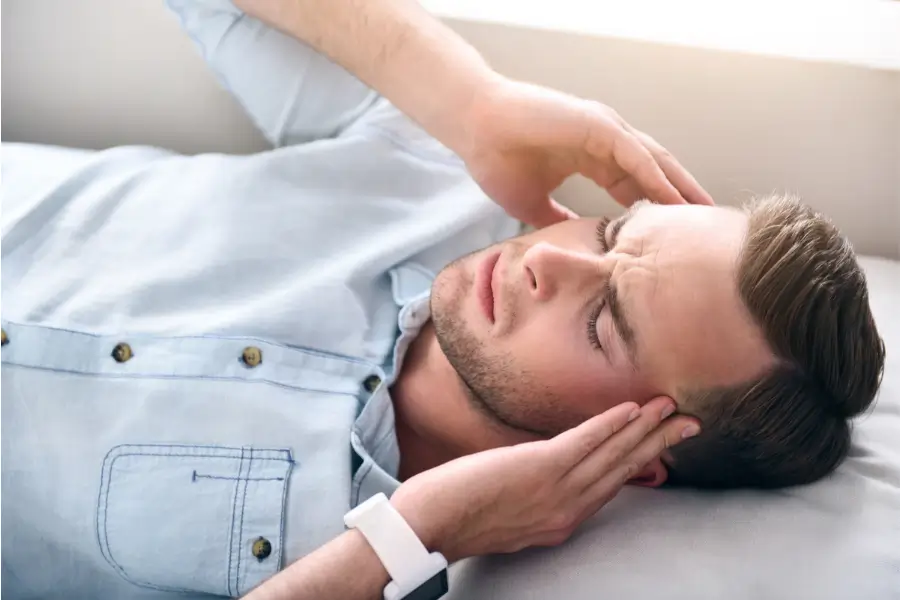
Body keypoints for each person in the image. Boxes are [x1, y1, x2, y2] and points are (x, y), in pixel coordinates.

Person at [0, 0, 884, 599]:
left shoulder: (375, 561)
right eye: (611, 236)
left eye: (604, 325)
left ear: (640, 456)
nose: (549, 264)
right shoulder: (441, 172)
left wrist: (406, 537)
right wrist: (472, 101)